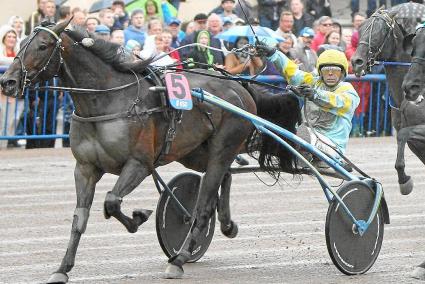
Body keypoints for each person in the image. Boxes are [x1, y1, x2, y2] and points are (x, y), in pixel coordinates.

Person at [256, 44, 360, 169]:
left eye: (335, 70)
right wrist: (273, 54)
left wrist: (315, 94)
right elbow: (293, 73)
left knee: (301, 132)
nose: (331, 73)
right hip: (307, 139)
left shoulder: (348, 90)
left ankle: (304, 156)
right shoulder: (313, 82)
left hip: (332, 147)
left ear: (343, 72)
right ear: (320, 72)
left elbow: (339, 102)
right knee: (275, 130)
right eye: (326, 70)